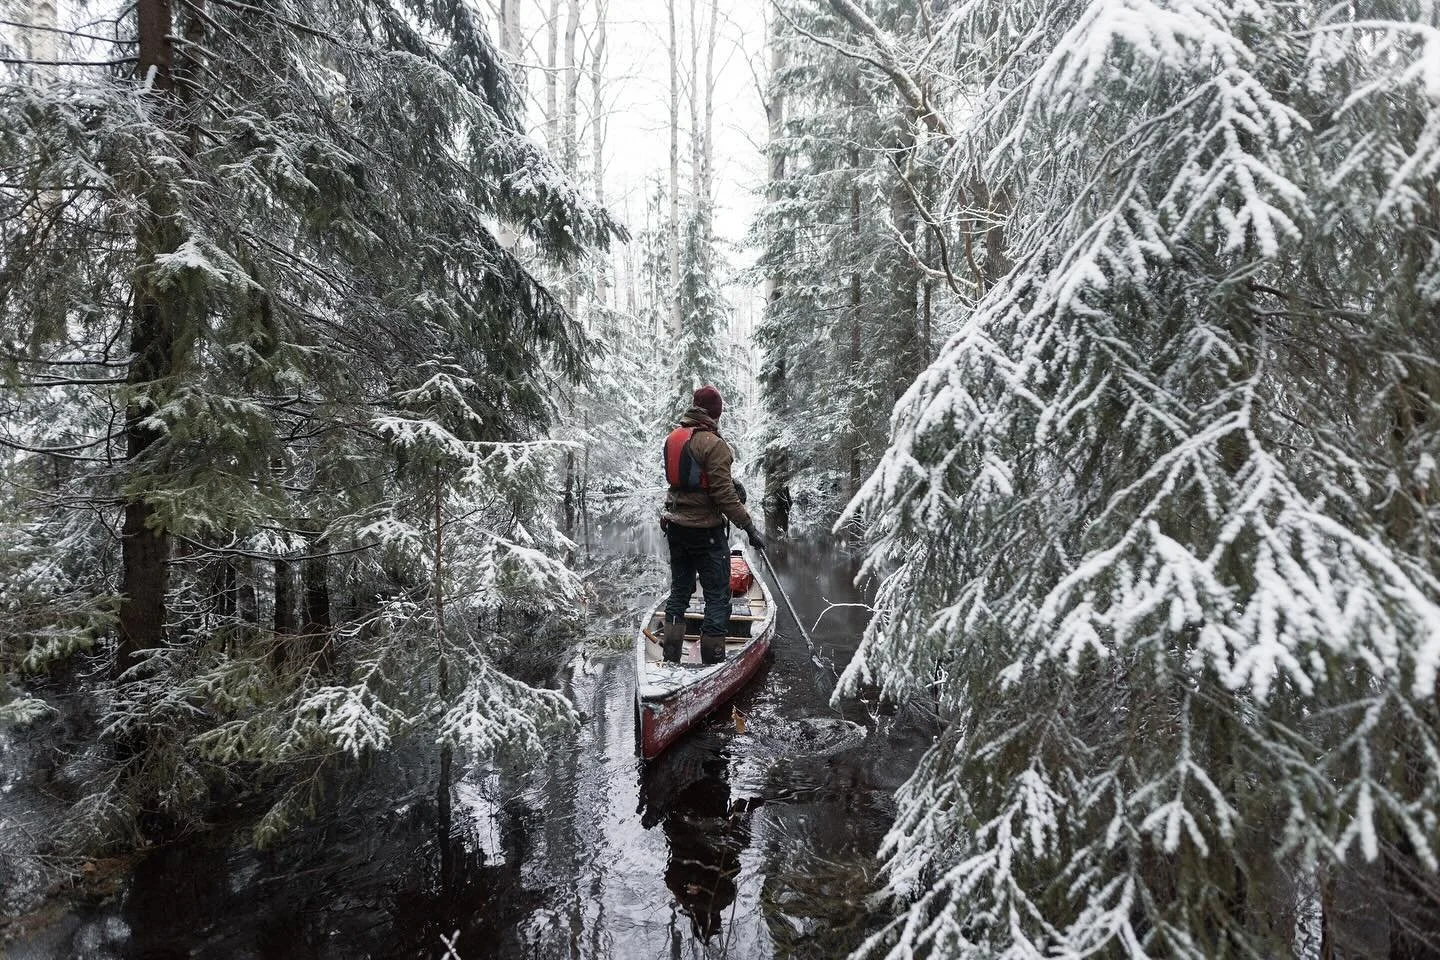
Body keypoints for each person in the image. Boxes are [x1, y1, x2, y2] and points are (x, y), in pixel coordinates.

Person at [660, 385, 766, 664]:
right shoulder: (715, 444)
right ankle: (712, 660)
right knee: (717, 595)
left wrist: (728, 482)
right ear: (715, 413)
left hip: (676, 528)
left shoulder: (673, 438)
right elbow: (723, 497)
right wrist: (749, 527)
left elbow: (688, 482)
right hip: (705, 531)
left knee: (680, 591)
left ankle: (670, 656)